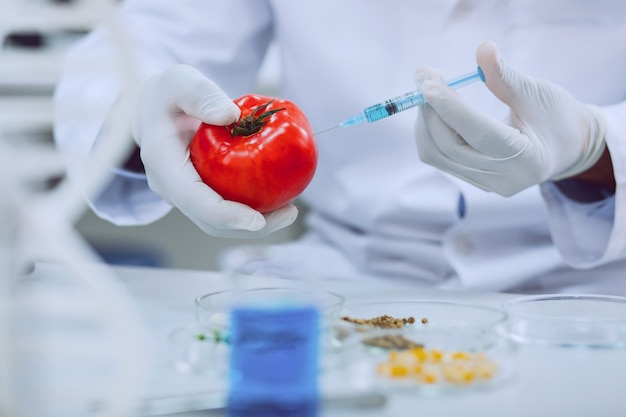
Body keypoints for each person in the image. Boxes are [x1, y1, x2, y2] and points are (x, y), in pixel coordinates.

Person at [53, 1, 626, 295]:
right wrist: (135, 108)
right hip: (344, 280)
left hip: (599, 296)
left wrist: (594, 149)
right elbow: (154, 31)